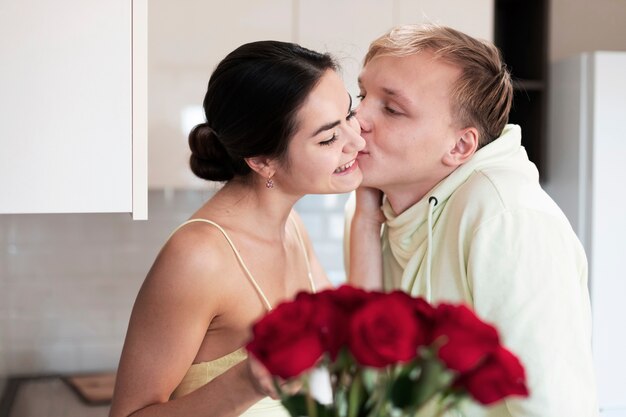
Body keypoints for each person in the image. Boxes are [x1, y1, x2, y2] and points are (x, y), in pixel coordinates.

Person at [345, 24, 598, 416]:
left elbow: (555, 406)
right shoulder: (371, 206)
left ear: (460, 146)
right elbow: (368, 383)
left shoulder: (508, 219)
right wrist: (363, 224)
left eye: (392, 109)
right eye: (362, 95)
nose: (357, 118)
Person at [109, 40, 364, 417]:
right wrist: (244, 383)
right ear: (262, 160)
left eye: (350, 114)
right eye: (328, 138)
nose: (356, 141)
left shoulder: (291, 227)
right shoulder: (199, 257)